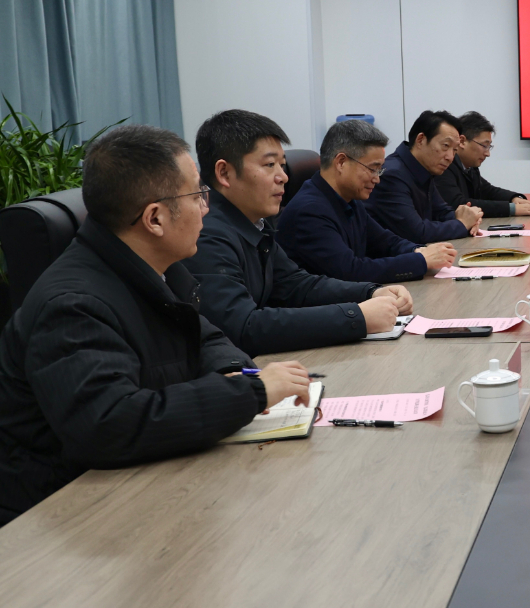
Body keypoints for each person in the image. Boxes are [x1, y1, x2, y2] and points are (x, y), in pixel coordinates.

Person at [0, 125, 312, 526]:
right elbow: (111, 425)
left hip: (142, 484)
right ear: (154, 218)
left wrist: (232, 371)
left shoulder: (157, 267)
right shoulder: (73, 307)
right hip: (63, 519)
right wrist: (251, 391)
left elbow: (206, 336)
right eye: (197, 195)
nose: (206, 207)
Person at [183, 110, 414, 357]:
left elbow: (297, 285)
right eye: (269, 165)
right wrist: (357, 317)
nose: (283, 177)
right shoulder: (206, 234)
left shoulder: (254, 224)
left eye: (282, 165)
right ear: (224, 173)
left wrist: (370, 292)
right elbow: (243, 328)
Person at [277, 120, 455, 284]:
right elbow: (351, 271)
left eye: (379, 170)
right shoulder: (309, 211)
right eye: (372, 169)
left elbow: (386, 242)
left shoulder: (349, 200)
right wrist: (421, 261)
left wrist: (419, 251)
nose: (377, 179)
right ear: (341, 162)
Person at [367, 110, 483, 242]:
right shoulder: (392, 175)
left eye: (455, 150)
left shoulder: (423, 168)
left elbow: (442, 212)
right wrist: (462, 224)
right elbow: (416, 232)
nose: (450, 157)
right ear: (421, 140)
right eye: (445, 146)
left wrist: (468, 218)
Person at [435, 111, 530, 219]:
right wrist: (511, 208)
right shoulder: (444, 166)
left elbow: (488, 191)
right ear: (462, 142)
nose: (488, 154)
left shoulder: (470, 168)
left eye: (489, 147)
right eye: (484, 146)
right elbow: (458, 204)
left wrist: (514, 198)